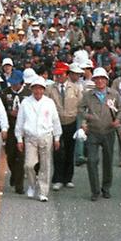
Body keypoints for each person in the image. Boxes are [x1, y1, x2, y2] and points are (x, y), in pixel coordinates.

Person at [78, 67, 121, 201]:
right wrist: (88, 117)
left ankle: (106, 188)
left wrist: (117, 120)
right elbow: (80, 109)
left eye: (102, 79)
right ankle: (95, 190)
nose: (100, 81)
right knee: (92, 160)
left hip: (109, 131)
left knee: (108, 161)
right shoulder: (88, 95)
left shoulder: (113, 94)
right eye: (97, 79)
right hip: (93, 131)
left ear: (106, 80)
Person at [14, 76, 62, 202]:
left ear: (44, 90)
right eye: (35, 89)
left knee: (45, 166)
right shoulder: (26, 103)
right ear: (32, 89)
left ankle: (43, 191)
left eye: (40, 89)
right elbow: (20, 121)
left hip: (46, 136)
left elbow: (55, 120)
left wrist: (57, 137)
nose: (38, 92)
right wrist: (19, 138)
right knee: (29, 165)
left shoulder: (49, 103)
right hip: (30, 138)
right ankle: (31, 184)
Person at [47, 62, 82, 191]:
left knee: (70, 151)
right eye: (57, 75)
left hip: (71, 122)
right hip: (56, 123)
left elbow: (81, 106)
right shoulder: (50, 89)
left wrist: (82, 124)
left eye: (61, 74)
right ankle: (57, 179)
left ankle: (68, 178)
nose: (59, 77)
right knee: (58, 152)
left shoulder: (76, 88)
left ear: (67, 75)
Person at [1, 70, 29, 194]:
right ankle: (14, 173)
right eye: (12, 83)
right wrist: (9, 113)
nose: (14, 86)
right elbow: (0, 110)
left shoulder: (28, 93)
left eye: (16, 83)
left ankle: (19, 185)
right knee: (10, 155)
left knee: (21, 156)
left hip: (24, 128)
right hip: (10, 127)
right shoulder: (5, 93)